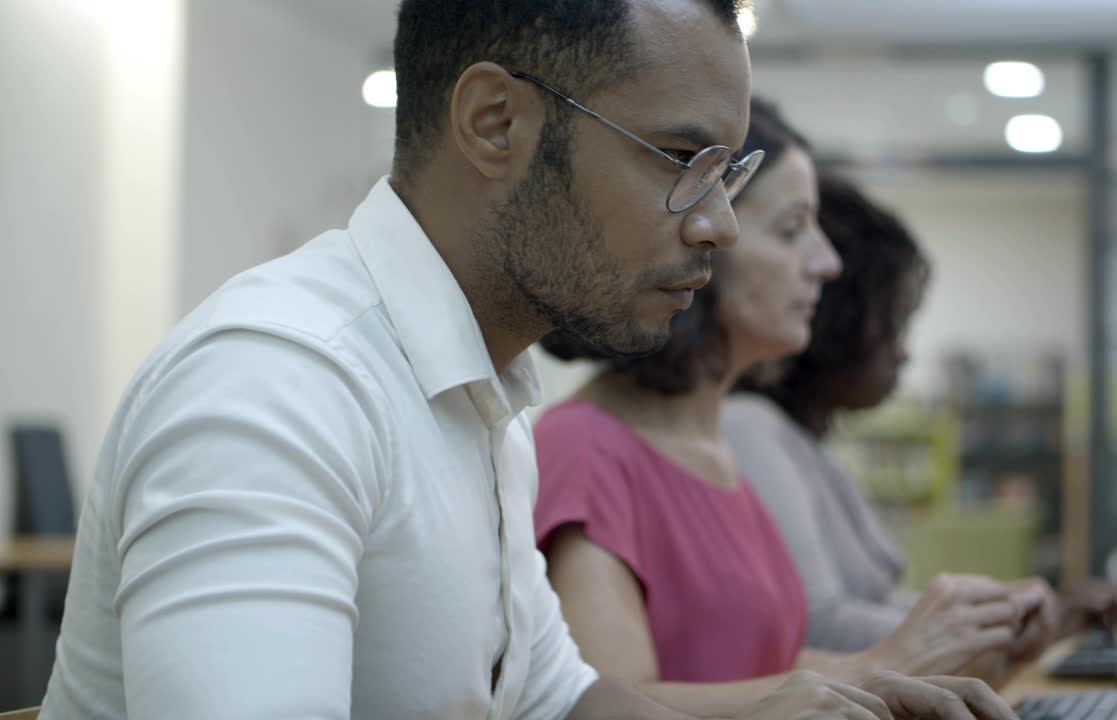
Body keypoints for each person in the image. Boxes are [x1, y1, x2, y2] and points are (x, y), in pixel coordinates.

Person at [36, 2, 901, 718]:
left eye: (727, 175)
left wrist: (812, 702)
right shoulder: (279, 385)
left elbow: (556, 699)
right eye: (681, 160)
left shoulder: (480, 396)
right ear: (497, 124)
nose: (720, 224)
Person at [532, 98, 1025, 720]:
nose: (827, 263)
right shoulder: (585, 450)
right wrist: (881, 666)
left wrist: (912, 672)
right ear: (707, 236)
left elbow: (761, 666)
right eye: (792, 230)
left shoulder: (717, 450)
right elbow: (608, 703)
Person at [723, 172, 1117, 683]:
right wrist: (997, 625)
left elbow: (872, 616)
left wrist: (1008, 616)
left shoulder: (793, 437)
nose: (903, 352)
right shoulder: (749, 429)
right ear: (840, 321)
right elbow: (819, 626)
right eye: (893, 324)